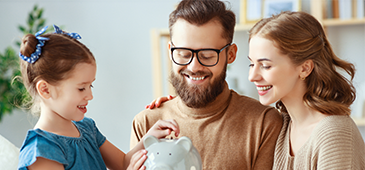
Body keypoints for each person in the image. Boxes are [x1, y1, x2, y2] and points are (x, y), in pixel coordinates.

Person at [130, 0, 283, 169]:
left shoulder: (264, 124)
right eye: (183, 54)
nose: (194, 67)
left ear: (230, 55)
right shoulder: (146, 123)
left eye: (207, 56)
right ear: (170, 51)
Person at [17, 25, 180, 170]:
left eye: (90, 86)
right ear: (45, 90)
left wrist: (149, 138)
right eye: (81, 88)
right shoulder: (41, 151)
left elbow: (123, 163)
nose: (90, 95)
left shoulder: (86, 128)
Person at [248, 11, 365, 169]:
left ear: (304, 68)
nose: (252, 76)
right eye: (251, 64)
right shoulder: (283, 126)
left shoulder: (334, 134)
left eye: (266, 66)